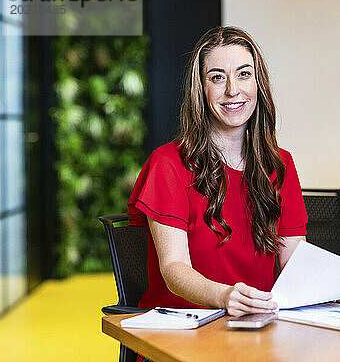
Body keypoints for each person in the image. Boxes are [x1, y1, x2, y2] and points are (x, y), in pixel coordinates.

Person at [127, 26, 308, 318]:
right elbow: (174, 269)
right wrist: (224, 296)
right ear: (201, 88)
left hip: (257, 328)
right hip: (183, 331)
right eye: (217, 77)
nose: (232, 89)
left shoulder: (280, 164)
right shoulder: (169, 163)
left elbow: (295, 265)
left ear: (258, 84)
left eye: (244, 74)